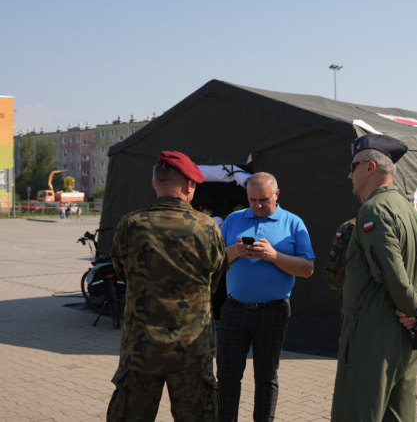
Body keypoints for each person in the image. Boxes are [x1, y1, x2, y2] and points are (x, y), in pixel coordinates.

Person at [107, 150, 228, 421]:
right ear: (189, 186)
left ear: (154, 183)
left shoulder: (131, 224)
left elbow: (121, 270)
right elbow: (215, 279)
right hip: (191, 351)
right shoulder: (207, 227)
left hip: (141, 349)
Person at [331, 134, 417, 422]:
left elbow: (393, 275)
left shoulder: (373, 209)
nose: (349, 174)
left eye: (353, 165)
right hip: (405, 340)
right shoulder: (412, 213)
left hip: (372, 337)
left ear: (370, 167)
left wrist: (414, 311)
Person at [216, 172, 315, 422]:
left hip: (273, 310)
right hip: (234, 308)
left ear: (277, 195)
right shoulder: (233, 220)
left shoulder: (294, 223)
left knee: (266, 377)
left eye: (264, 200)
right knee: (227, 376)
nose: (258, 205)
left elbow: (308, 269)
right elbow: (212, 262)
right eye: (252, 200)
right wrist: (235, 251)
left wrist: (274, 256)